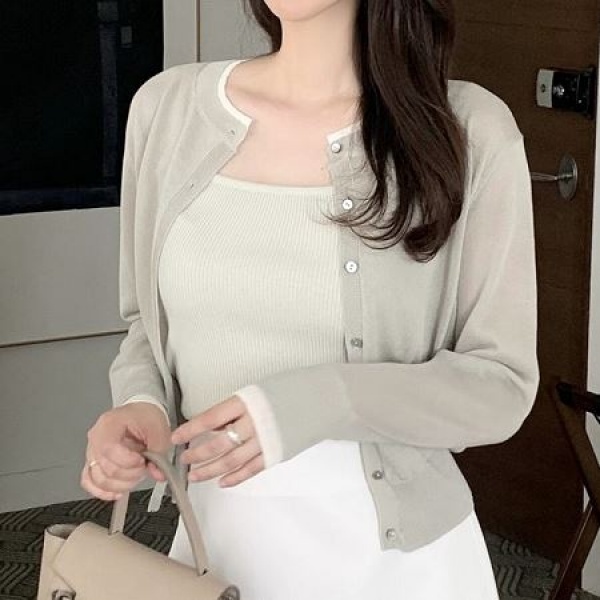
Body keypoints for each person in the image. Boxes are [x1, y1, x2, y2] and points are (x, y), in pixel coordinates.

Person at [81, 1, 539, 598]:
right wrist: (143, 404)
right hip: (217, 553)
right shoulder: (167, 111)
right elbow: (149, 323)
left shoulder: (469, 128)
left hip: (398, 566)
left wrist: (314, 400)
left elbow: (500, 386)